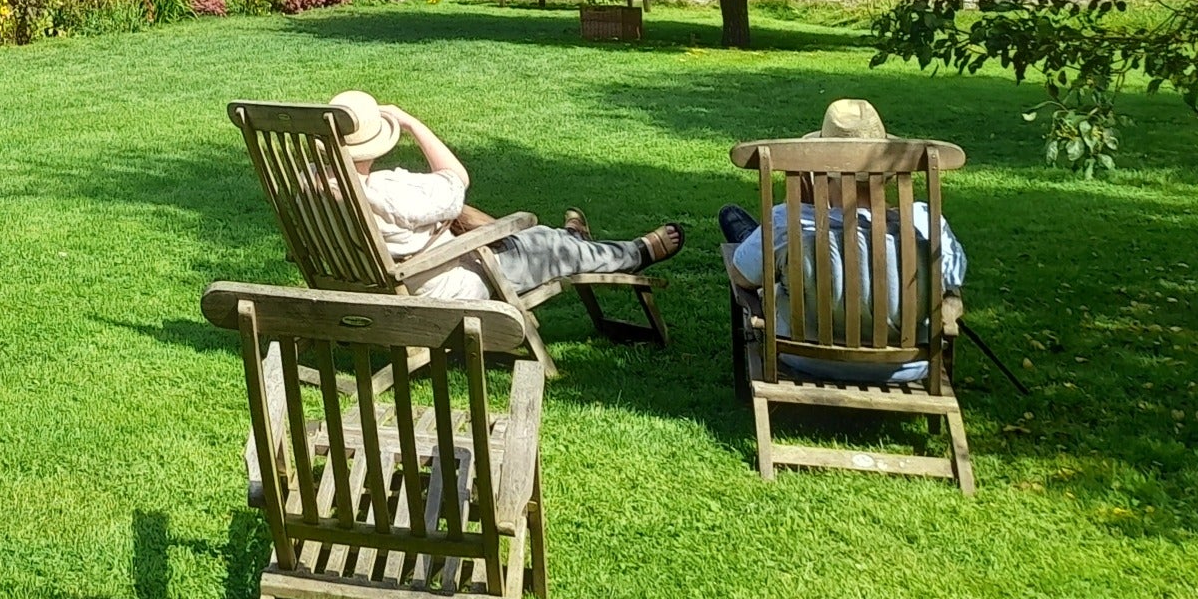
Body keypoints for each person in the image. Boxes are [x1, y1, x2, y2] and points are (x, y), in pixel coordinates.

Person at [328, 90, 683, 302]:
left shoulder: (308, 188)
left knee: (503, 230)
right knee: (540, 239)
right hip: (445, 285)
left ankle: (573, 239)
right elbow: (455, 178)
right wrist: (413, 124)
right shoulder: (389, 194)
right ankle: (633, 253)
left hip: (380, 283)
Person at [720, 98, 969, 384]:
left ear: (821, 169)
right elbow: (952, 284)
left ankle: (748, 236)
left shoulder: (788, 222)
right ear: (888, 173)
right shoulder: (927, 223)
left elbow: (741, 276)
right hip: (909, 364)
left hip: (806, 357)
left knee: (767, 256)